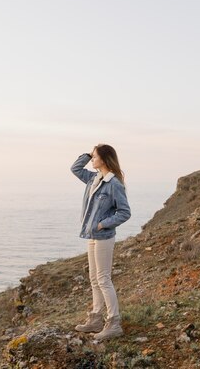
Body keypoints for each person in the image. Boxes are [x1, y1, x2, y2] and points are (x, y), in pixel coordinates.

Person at [70, 144, 131, 341]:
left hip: (104, 236)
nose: (92, 160)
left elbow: (124, 212)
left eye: (95, 157)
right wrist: (89, 153)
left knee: (103, 279)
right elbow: (75, 169)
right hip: (92, 236)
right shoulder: (93, 179)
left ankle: (114, 322)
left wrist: (102, 224)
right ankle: (96, 319)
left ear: (104, 159)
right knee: (94, 279)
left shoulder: (114, 184)